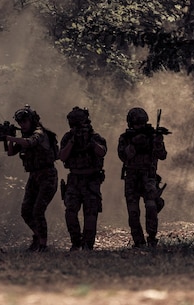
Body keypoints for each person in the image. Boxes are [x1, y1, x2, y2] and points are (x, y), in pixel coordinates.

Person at [6, 105, 59, 252]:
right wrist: (9, 138)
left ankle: (43, 245)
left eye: (24, 121)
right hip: (34, 176)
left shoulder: (39, 133)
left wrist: (12, 137)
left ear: (32, 120)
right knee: (26, 211)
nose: (22, 125)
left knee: (38, 210)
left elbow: (30, 142)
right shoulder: (24, 135)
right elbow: (10, 153)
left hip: (47, 176)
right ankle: (38, 236)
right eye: (20, 123)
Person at [117, 107, 167, 248]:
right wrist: (134, 144)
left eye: (142, 124)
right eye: (137, 124)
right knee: (133, 212)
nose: (139, 127)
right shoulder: (125, 138)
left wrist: (157, 142)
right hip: (132, 178)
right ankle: (138, 242)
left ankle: (152, 238)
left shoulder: (152, 136)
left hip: (148, 177)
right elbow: (123, 156)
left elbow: (162, 155)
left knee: (151, 207)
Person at [59, 107, 107, 251]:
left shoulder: (96, 137)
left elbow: (102, 152)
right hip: (74, 179)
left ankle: (87, 244)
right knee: (70, 212)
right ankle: (76, 241)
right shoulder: (68, 138)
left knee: (91, 214)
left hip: (91, 179)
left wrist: (90, 141)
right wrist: (73, 141)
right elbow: (62, 156)